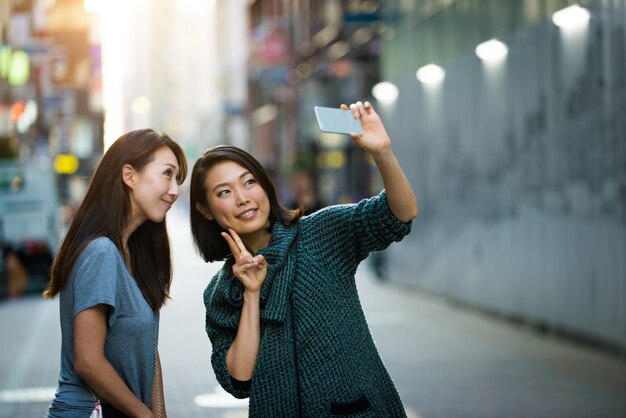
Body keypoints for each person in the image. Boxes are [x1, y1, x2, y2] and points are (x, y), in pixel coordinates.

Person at [190, 101, 418, 417]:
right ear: (205, 209)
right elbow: (239, 379)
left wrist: (382, 153)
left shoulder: (320, 233)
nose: (243, 198)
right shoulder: (223, 292)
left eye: (249, 182)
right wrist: (252, 293)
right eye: (224, 192)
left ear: (264, 184)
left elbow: (399, 215)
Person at [43, 128, 188, 418]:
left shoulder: (132, 253)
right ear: (129, 175)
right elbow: (87, 361)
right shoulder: (102, 253)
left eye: (177, 179)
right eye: (167, 174)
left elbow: (148, 350)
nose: (174, 190)